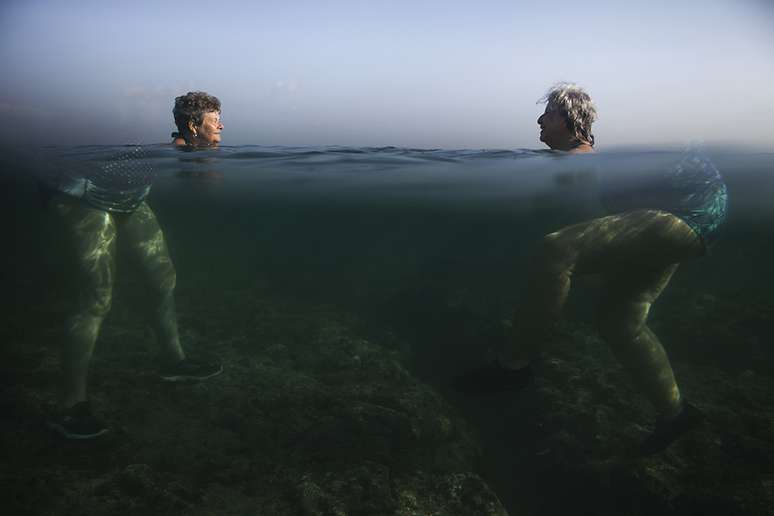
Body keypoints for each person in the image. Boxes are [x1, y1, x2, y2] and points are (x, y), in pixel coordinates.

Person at [454, 83, 728, 455]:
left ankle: (514, 366)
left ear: (569, 121)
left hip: (686, 216)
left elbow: (574, 244)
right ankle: (675, 414)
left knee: (555, 249)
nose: (538, 120)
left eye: (548, 114)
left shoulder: (583, 157)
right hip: (684, 221)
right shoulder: (591, 161)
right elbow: (602, 232)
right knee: (620, 322)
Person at [46, 91, 225, 440]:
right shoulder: (164, 151)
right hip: (85, 196)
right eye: (214, 119)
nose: (222, 125)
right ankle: (69, 406)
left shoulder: (189, 151)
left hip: (129, 199)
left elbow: (192, 177)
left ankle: (173, 363)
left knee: (162, 278)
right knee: (95, 298)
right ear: (192, 125)